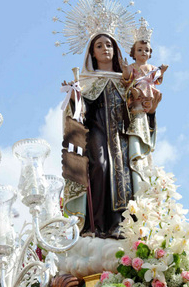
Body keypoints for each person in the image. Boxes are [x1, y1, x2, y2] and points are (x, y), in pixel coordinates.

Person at [63, 33, 156, 239]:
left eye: (108, 45)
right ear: (92, 53)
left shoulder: (126, 80)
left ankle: (121, 224)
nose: (105, 49)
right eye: (99, 46)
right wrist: (75, 98)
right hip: (96, 131)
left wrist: (147, 107)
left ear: (115, 50)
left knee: (123, 174)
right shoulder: (87, 81)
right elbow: (79, 113)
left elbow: (138, 110)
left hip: (122, 133)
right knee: (100, 166)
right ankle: (95, 225)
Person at [122, 40, 167, 115]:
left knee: (151, 89)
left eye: (146, 50)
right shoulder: (132, 66)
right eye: (140, 50)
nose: (144, 52)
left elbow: (157, 79)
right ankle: (137, 93)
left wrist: (162, 71)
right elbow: (127, 78)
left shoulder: (152, 67)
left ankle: (145, 102)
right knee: (143, 83)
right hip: (136, 87)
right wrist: (125, 69)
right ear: (134, 54)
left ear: (149, 54)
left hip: (150, 88)